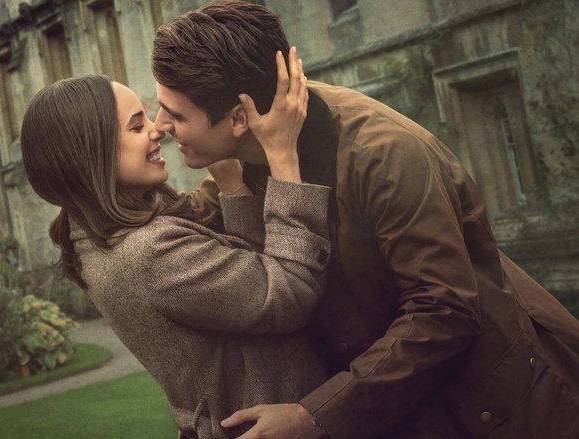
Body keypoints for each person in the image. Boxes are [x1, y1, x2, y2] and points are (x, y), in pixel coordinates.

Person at [151, 1, 579, 438]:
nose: (159, 124)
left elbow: (443, 310)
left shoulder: (383, 154)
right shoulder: (251, 151)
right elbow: (191, 221)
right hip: (403, 413)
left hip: (498, 408)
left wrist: (314, 415)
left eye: (176, 114)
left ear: (239, 118)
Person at [20, 48, 334, 438]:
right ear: (92, 155)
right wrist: (283, 157)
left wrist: (231, 183)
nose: (157, 129)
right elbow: (285, 294)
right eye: (136, 127)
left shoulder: (91, 239)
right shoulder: (150, 253)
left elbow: (242, 280)